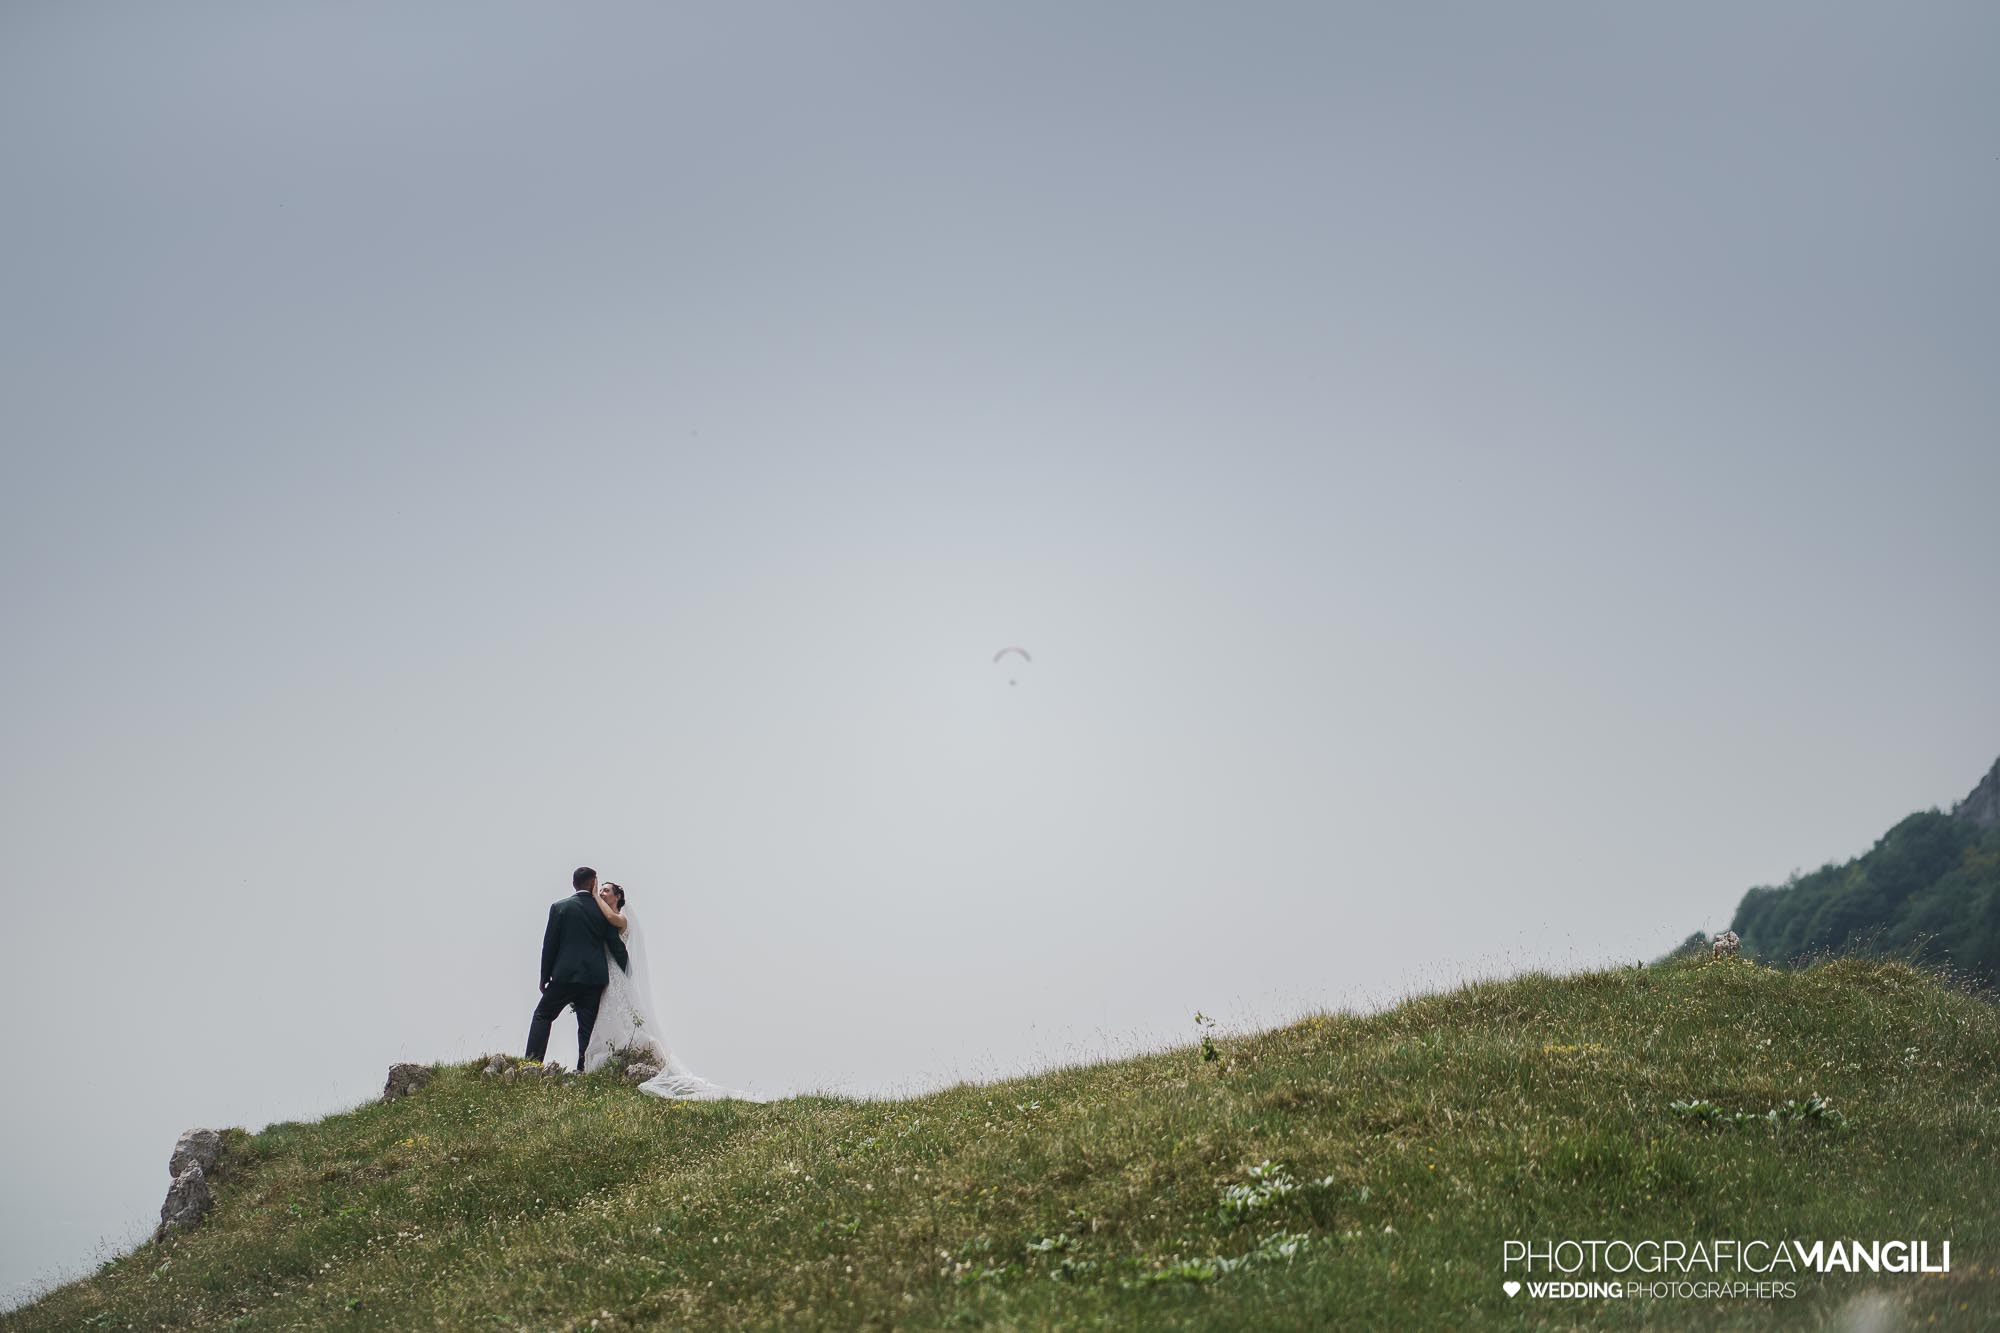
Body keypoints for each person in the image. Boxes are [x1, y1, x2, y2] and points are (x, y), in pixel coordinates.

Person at [578, 880, 757, 1100]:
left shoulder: (621, 919)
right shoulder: (602, 917)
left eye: (607, 891)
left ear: (617, 897)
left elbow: (610, 918)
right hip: (605, 976)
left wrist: (594, 894)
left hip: (618, 977)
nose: (603, 893)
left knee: (623, 1015)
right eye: (601, 890)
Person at [524, 866, 629, 1071]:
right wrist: (627, 972)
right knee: (586, 1026)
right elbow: (614, 944)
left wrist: (544, 976)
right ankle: (583, 1069)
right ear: (593, 884)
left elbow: (550, 944)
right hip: (594, 978)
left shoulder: (560, 907)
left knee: (543, 1015)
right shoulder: (603, 912)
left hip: (565, 975)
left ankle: (532, 1064)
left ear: (574, 883)